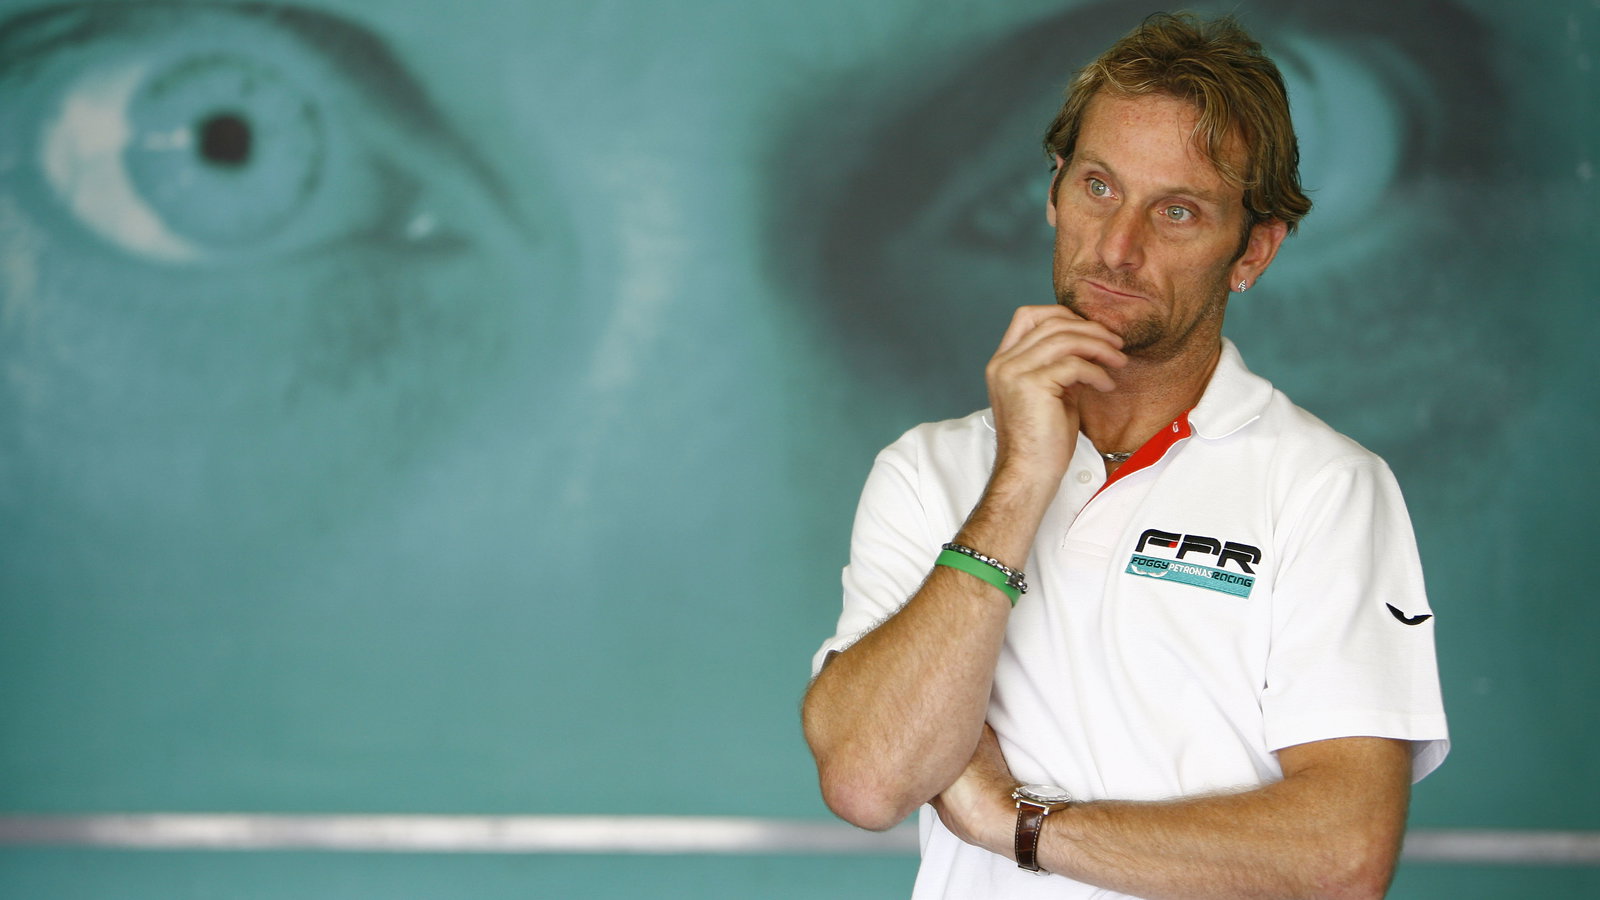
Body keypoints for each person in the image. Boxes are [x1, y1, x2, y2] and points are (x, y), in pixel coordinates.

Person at [802, 13, 1448, 899]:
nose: (1117, 247)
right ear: (1052, 193)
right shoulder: (927, 471)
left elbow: (1342, 857)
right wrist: (1020, 481)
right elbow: (869, 781)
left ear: (1253, 252)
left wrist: (1016, 824)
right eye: (1099, 186)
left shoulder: (1326, 486)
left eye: (1177, 211)